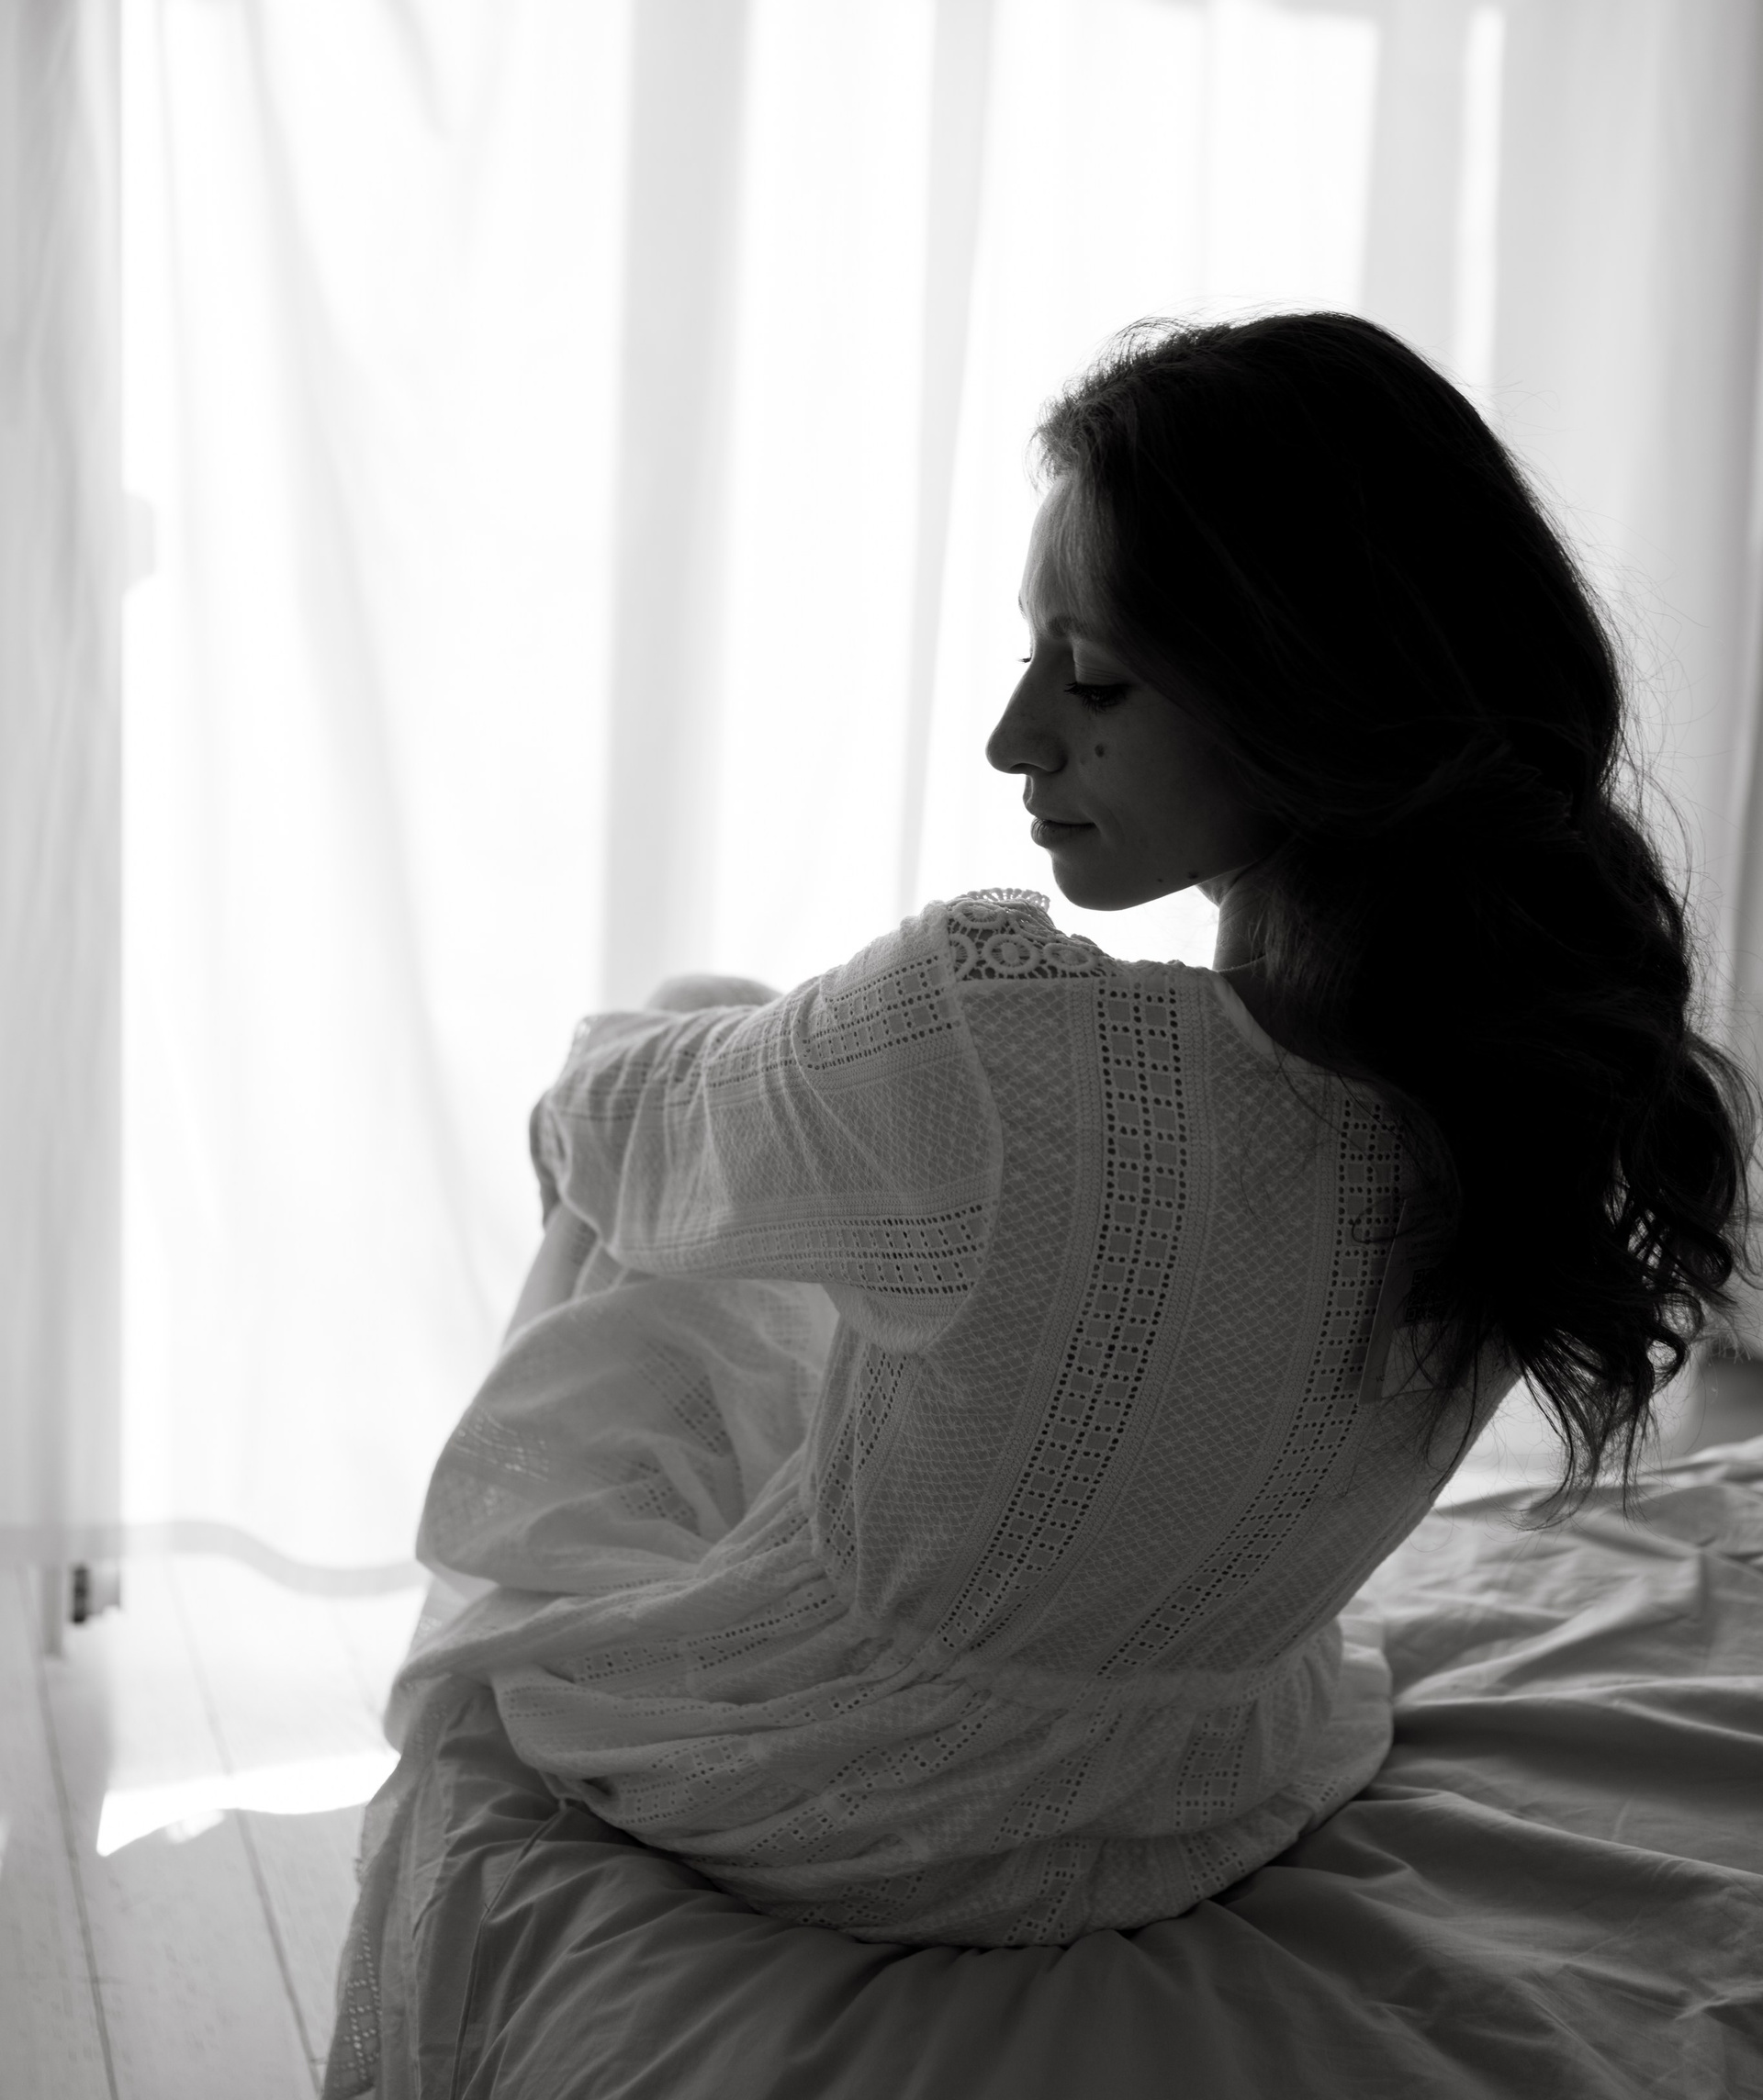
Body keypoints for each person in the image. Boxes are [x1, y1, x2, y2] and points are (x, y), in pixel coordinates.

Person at [331, 313, 1758, 2023]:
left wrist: (636, 1088)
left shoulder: (997, 1048)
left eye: (1092, 679)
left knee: (687, 1055)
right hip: (1191, 1787)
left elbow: (595, 1127)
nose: (1016, 738)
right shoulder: (1527, 1090)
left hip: (817, 1790)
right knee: (822, 1180)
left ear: (1310, 693)